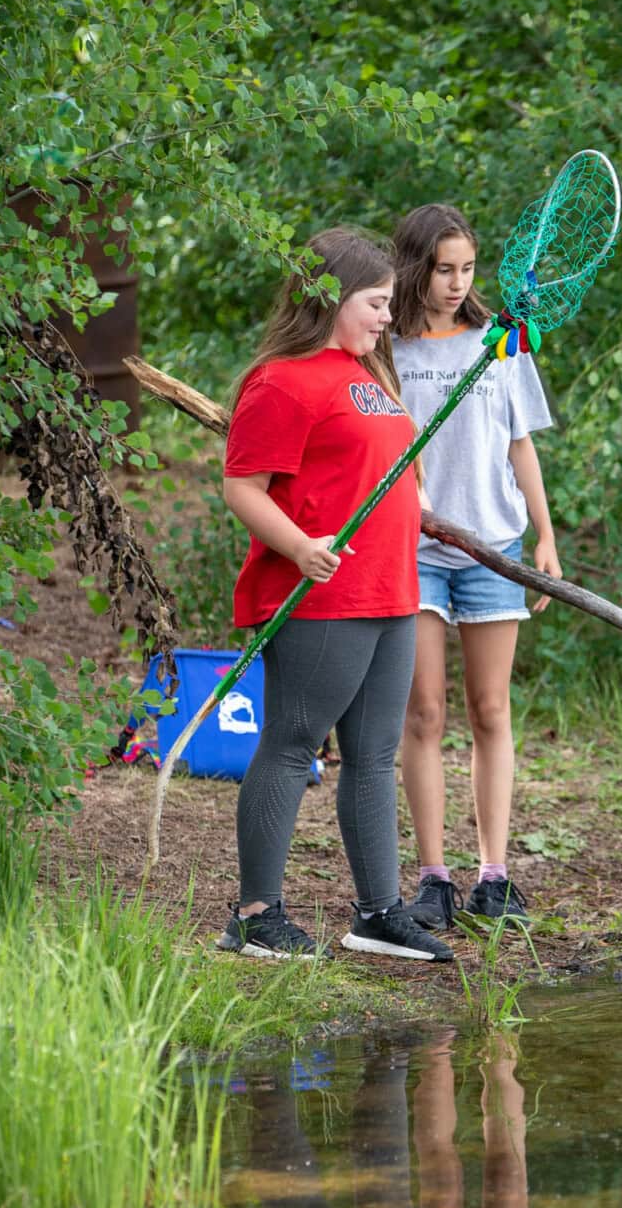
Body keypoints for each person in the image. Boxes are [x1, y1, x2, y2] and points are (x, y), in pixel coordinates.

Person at [215, 227, 453, 963]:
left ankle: (378, 912)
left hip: (390, 591)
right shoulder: (283, 380)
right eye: (377, 302)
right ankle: (256, 915)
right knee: (291, 745)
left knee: (375, 756)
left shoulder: (370, 377)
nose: (389, 316)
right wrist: (299, 546)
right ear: (332, 298)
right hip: (322, 596)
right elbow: (241, 486)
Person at [391, 204, 561, 928]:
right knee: (423, 711)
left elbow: (521, 442)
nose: (458, 282)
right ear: (414, 266)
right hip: (416, 546)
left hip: (494, 544)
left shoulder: (502, 342)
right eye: (443, 269)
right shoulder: (388, 347)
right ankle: (434, 876)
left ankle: (494, 873)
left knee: (491, 709)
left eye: (467, 268)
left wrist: (545, 536)